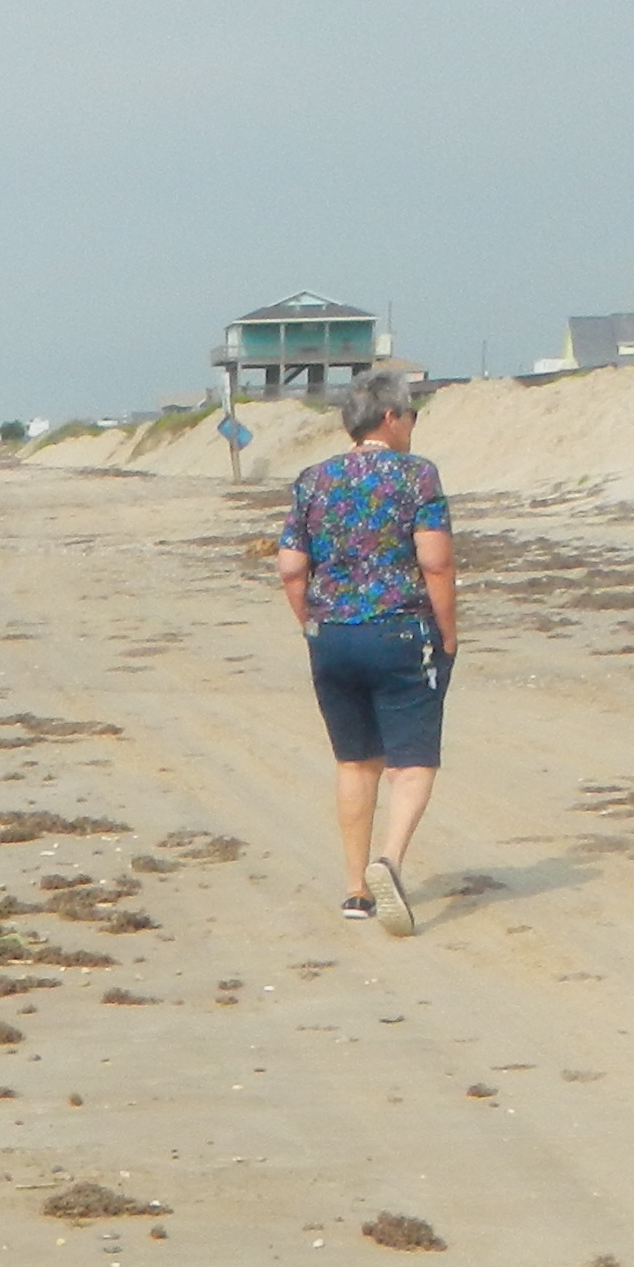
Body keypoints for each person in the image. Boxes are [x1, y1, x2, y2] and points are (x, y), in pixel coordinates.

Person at [269, 365, 455, 934]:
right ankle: (389, 862)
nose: (414, 426)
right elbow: (436, 561)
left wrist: (312, 623)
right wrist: (447, 630)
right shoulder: (416, 476)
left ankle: (356, 891)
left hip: (333, 637)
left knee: (354, 761)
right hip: (401, 631)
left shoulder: (314, 479)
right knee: (412, 761)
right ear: (391, 417)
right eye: (412, 415)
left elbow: (291, 567)